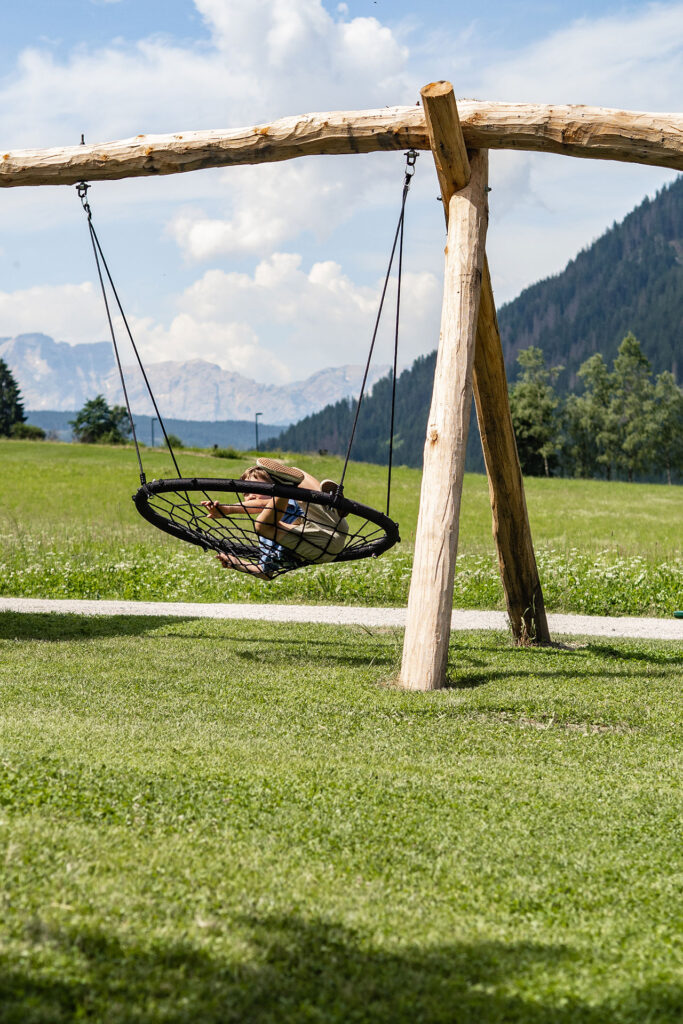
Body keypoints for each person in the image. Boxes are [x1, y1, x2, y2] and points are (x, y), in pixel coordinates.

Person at [201, 457, 349, 578]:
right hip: (318, 544)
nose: (249, 496)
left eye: (255, 489)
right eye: (245, 493)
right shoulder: (268, 534)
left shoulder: (288, 503)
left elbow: (262, 504)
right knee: (264, 524)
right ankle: (318, 496)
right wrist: (236, 562)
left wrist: (228, 509)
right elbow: (265, 572)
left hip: (330, 524)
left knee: (297, 478)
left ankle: (332, 502)